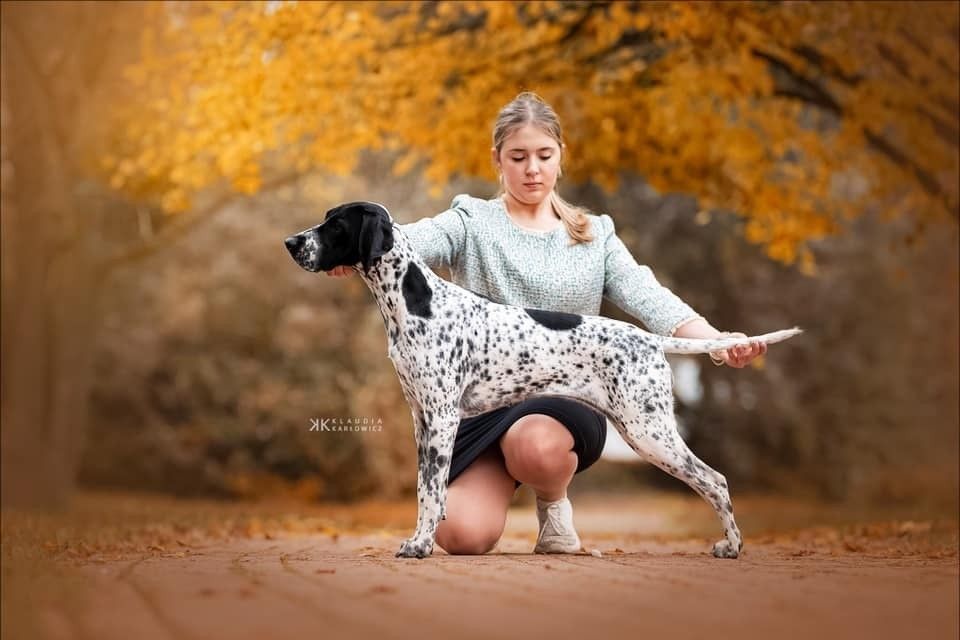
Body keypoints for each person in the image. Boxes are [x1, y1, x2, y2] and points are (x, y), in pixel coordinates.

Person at [326, 92, 765, 555]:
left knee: (537, 445)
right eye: (518, 157)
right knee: (462, 536)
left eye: (543, 155)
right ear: (497, 160)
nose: (532, 169)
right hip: (483, 411)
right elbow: (409, 240)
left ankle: (554, 506)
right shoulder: (470, 221)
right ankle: (488, 491)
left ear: (560, 157)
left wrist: (717, 340)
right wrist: (353, 247)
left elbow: (648, 296)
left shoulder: (594, 234)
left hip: (566, 397)